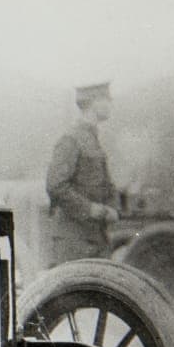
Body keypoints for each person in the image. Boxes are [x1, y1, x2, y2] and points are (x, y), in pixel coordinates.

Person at [45, 81, 120, 265]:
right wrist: (90, 209)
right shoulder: (71, 139)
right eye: (106, 99)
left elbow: (103, 183)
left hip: (95, 239)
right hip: (74, 242)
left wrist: (112, 207)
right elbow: (55, 185)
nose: (110, 103)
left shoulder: (92, 138)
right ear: (93, 103)